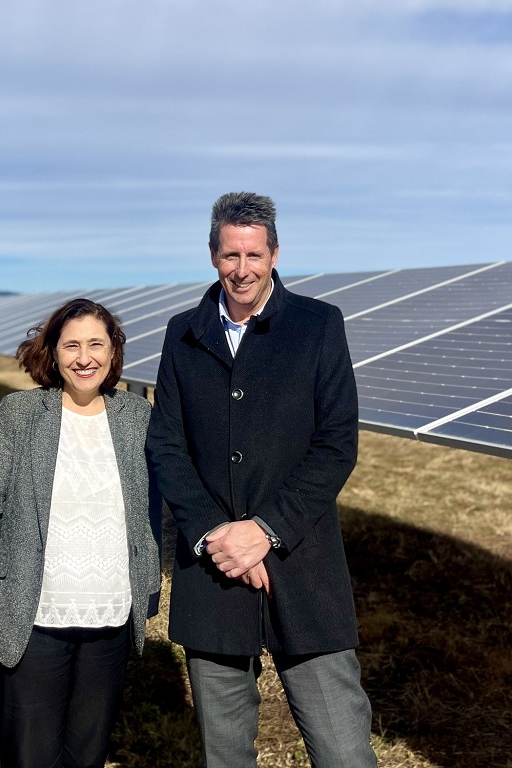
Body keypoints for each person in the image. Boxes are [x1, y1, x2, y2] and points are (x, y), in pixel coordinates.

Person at [146, 192, 376, 767]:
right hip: (214, 570)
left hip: (303, 563)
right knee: (225, 754)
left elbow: (335, 444)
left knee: (342, 750)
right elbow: (167, 446)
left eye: (253, 254)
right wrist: (216, 536)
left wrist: (265, 530)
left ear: (274, 253)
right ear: (212, 255)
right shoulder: (184, 334)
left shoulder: (317, 325)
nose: (241, 269)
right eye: (229, 255)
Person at [0, 298, 162, 768]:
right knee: (31, 756)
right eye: (71, 345)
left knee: (87, 756)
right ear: (53, 352)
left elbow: (149, 512)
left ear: (114, 352)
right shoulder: (21, 413)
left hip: (109, 616)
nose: (84, 357)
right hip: (34, 619)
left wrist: (146, 592)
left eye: (96, 344)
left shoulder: (136, 416)